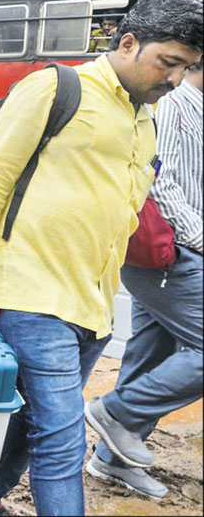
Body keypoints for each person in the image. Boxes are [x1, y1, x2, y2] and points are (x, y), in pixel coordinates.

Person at [0, 0, 202, 517]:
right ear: (127, 43)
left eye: (188, 68)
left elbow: (126, 209)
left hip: (93, 301)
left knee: (30, 418)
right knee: (61, 440)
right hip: (32, 291)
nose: (175, 79)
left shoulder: (143, 119)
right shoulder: (56, 88)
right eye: (168, 63)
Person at [85, 59, 203, 501]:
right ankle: (116, 411)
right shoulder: (173, 108)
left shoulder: (197, 108)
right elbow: (159, 183)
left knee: (151, 354)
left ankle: (112, 460)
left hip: (173, 253)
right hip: (170, 252)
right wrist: (199, 240)